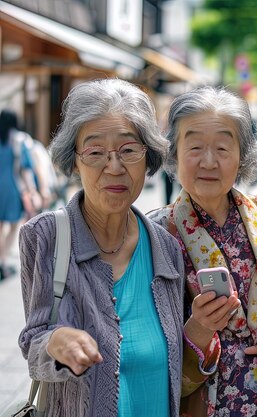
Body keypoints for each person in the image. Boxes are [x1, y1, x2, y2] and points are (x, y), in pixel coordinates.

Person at [18, 79, 186, 417]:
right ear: (75, 162)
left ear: (148, 157)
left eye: (128, 150)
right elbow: (33, 342)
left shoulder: (166, 247)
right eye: (95, 152)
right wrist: (55, 341)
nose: (114, 166)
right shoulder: (45, 236)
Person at [147, 86, 257, 416]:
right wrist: (199, 329)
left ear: (243, 154)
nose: (208, 161)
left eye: (222, 146)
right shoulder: (154, 233)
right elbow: (143, 342)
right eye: (195, 146)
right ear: (173, 152)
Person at [0, 109, 38, 280]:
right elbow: (26, 168)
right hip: (11, 188)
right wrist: (32, 190)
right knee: (14, 226)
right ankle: (2, 260)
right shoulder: (17, 139)